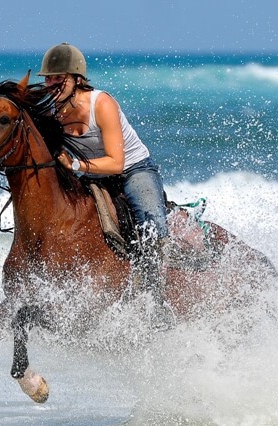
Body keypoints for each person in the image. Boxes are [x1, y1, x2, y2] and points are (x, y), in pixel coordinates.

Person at [38, 42, 170, 304]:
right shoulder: (53, 111)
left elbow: (116, 164)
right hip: (91, 175)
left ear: (77, 79)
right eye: (48, 79)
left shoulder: (102, 103)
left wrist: (75, 166)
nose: (51, 84)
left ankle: (157, 298)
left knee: (152, 228)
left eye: (58, 78)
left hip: (133, 170)